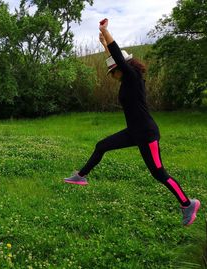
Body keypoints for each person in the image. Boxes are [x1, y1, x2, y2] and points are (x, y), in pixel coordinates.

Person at [64, 18, 200, 226]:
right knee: (101, 146)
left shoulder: (133, 76)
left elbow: (117, 55)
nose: (112, 76)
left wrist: (105, 32)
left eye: (112, 72)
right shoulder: (127, 78)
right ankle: (81, 176)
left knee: (159, 173)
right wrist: (103, 44)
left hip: (146, 133)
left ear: (121, 68)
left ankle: (187, 204)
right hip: (134, 132)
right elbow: (115, 58)